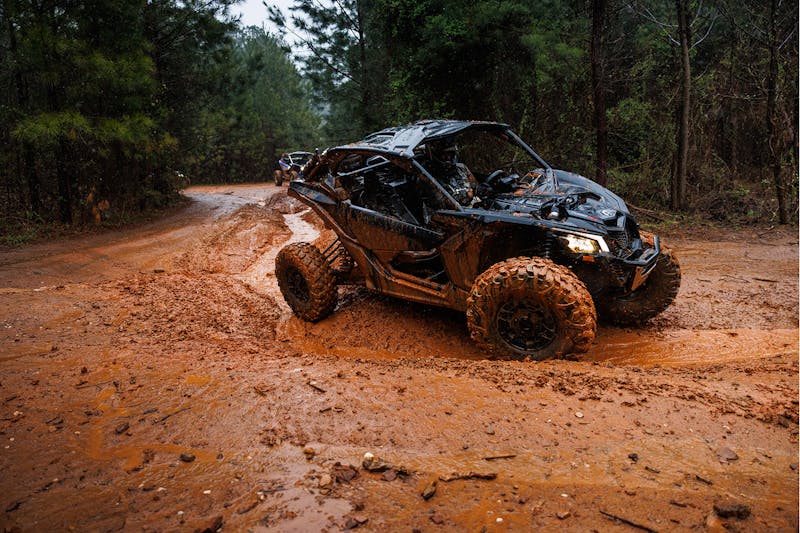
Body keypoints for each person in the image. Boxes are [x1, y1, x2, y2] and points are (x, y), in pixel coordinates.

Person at [426, 139, 477, 206]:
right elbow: (441, 203)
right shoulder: (431, 176)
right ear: (438, 154)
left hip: (474, 206)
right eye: (444, 154)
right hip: (455, 212)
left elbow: (475, 185)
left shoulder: (461, 168)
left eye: (450, 153)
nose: (448, 157)